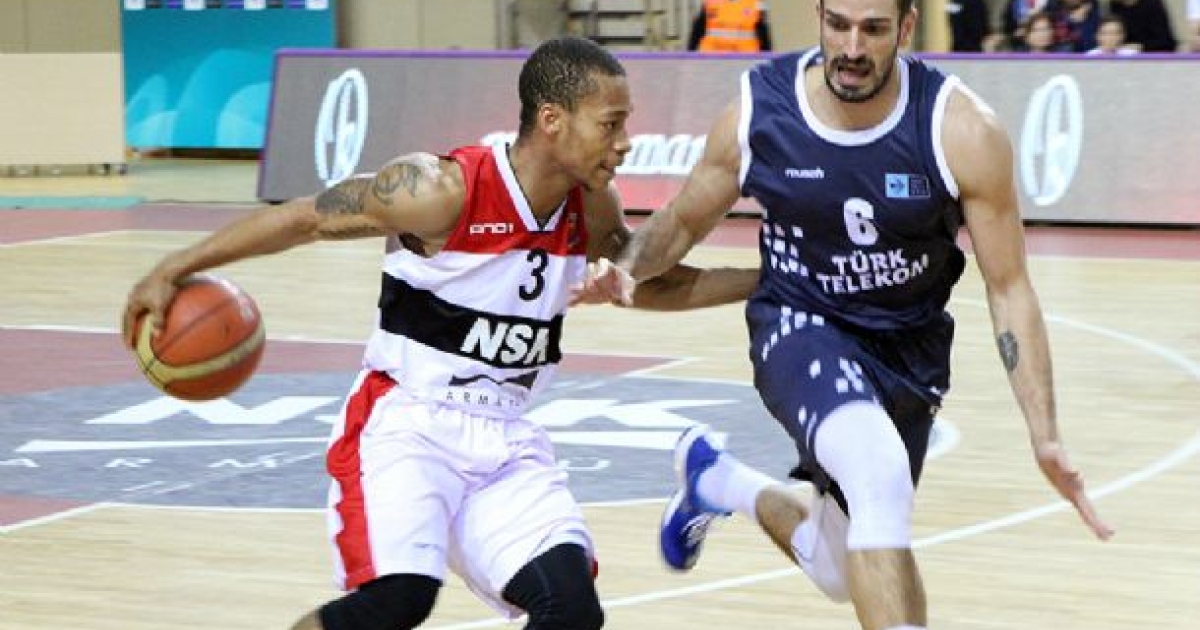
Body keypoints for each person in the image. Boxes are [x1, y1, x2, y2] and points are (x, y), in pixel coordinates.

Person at [121, 36, 756, 630]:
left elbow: (648, 283)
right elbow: (306, 219)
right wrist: (173, 268)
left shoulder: (591, 206)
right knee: (398, 600)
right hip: (408, 425)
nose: (624, 143)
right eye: (610, 125)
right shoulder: (438, 190)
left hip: (504, 436)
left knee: (570, 611)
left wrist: (770, 280)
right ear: (552, 120)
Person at [574, 0, 1115, 627]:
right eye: (838, 24)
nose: (852, 48)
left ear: (907, 28)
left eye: (874, 29)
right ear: (819, 17)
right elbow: (682, 221)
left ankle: (717, 481)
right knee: (878, 471)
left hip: (908, 350)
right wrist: (626, 268)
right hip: (800, 324)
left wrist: (1045, 434)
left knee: (837, 567)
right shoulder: (760, 110)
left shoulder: (960, 129)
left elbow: (1010, 287)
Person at [688, 0, 774, 53]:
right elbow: (698, 30)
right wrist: (689, 56)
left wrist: (768, 59)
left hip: (744, 59)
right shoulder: (710, 2)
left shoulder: (756, 4)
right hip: (713, 59)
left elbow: (764, 34)